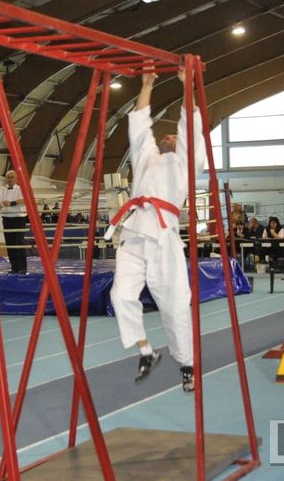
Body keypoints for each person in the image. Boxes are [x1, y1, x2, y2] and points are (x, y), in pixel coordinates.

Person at [108, 68, 205, 393]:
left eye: (175, 136)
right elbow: (139, 124)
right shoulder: (147, 158)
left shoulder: (186, 165)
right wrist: (147, 85)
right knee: (121, 296)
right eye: (168, 135)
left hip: (164, 238)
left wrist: (187, 85)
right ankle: (146, 350)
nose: (170, 136)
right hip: (134, 233)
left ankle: (187, 364)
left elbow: (190, 127)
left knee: (175, 306)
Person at [0, 170, 28, 274]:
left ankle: (23, 267)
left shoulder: (21, 189)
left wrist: (12, 203)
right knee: (10, 244)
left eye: (12, 177)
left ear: (16, 179)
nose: (10, 179)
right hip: (7, 218)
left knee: (18, 242)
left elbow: (25, 200)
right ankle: (14, 267)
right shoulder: (3, 190)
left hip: (19, 219)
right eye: (8, 177)